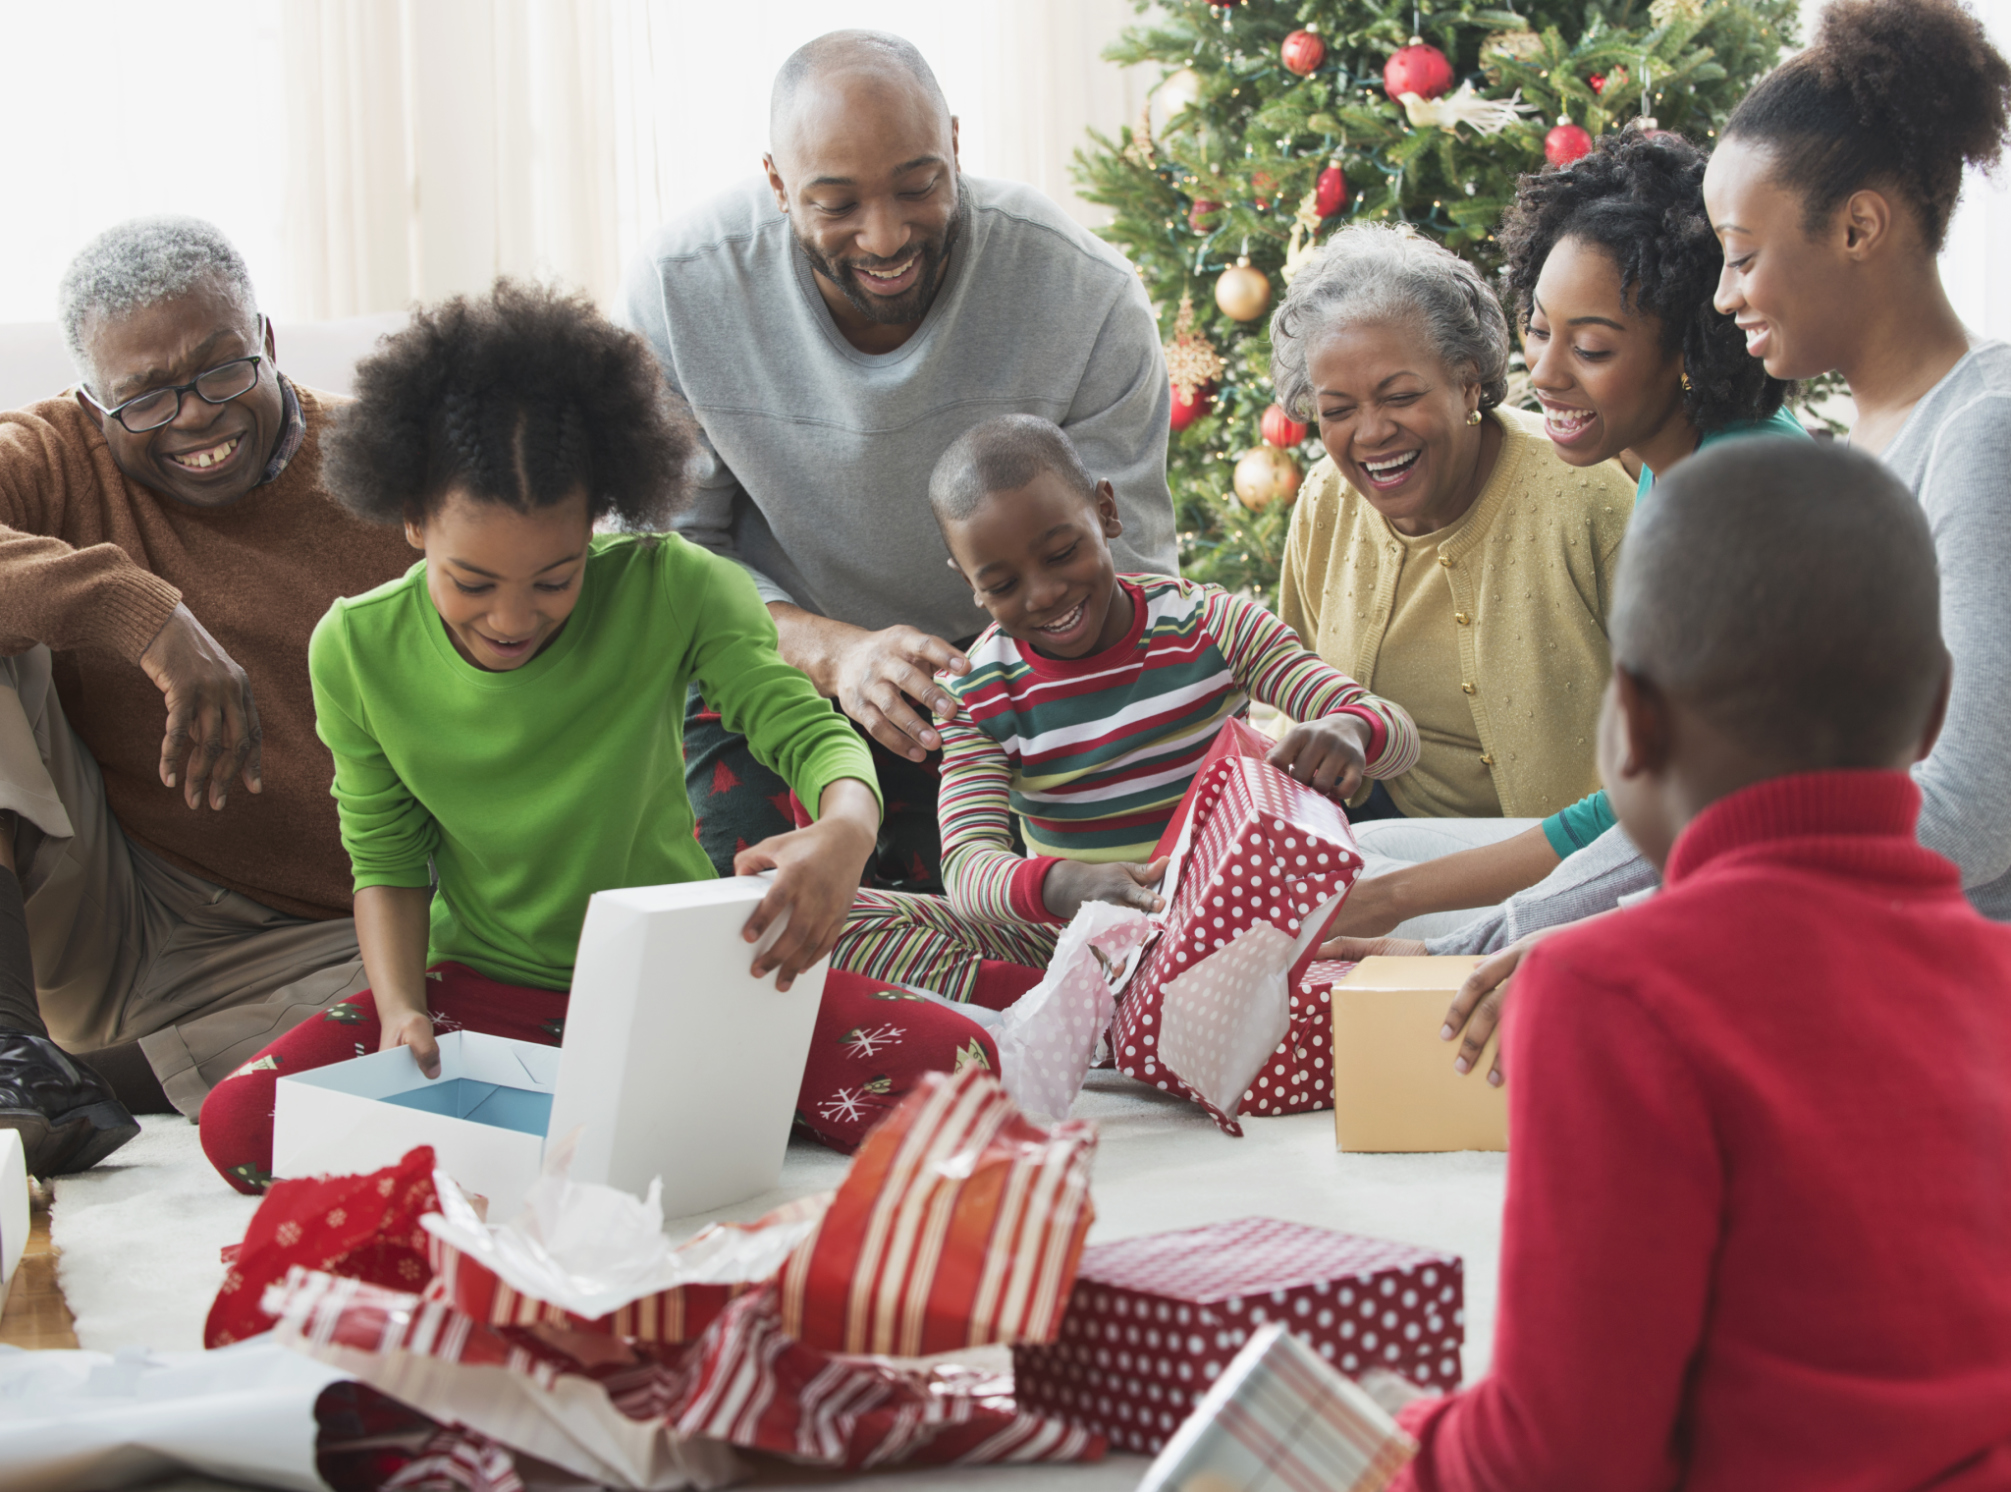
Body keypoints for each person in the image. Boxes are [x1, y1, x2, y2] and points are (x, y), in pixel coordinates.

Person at [197, 283, 999, 1192]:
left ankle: (597, 1120)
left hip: (674, 978)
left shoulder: (675, 587)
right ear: (412, 520)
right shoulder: (353, 648)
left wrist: (848, 827)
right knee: (241, 1125)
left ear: (595, 523)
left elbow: (802, 730)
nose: (510, 618)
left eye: (554, 578)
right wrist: (400, 1013)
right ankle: (664, 1114)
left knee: (961, 1071)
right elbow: (383, 858)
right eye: (471, 580)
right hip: (476, 997)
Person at [1354, 0, 2011, 1087]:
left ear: (1856, 228)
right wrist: (1474, 941)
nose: (1720, 296)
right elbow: (1712, 805)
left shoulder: (1982, 434)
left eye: (1744, 258)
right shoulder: (1858, 454)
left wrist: (1630, 939)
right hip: (1819, 955)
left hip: (1927, 1004)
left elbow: (1971, 811)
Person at [1381, 437, 2011, 1491]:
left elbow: (1560, 1459)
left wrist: (1391, 1442)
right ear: (1934, 711)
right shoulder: (1993, 973)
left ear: (1628, 722)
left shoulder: (1611, 993)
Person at [624, 29, 1178, 895]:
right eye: (835, 204)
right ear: (775, 183)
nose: (884, 239)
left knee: (989, 941)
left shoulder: (1084, 294)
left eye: (918, 186)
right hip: (770, 662)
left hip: (1006, 674)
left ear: (955, 146)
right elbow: (661, 566)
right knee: (749, 928)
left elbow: (1129, 571)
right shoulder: (680, 286)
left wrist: (1006, 702)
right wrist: (834, 653)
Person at [0, 217, 413, 1174]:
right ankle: (13, 1050)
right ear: (91, 400)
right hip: (117, 910)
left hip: (335, 936)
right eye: (143, 397)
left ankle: (94, 1078)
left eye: (221, 370)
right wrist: (135, 611)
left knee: (487, 997)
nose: (192, 416)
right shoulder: (56, 456)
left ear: (267, 340)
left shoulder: (389, 471)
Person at [1329, 129, 1804, 941]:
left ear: (1686, 350)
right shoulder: (1672, 455)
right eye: (1538, 328)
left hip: (1754, 898)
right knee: (1363, 851)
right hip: (1680, 849)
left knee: (1379, 891)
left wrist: (1411, 910)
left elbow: (1658, 820)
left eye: (1589, 347)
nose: (1542, 373)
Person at [828, 415, 1418, 998]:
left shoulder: (1210, 624)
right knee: (836, 920)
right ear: (970, 584)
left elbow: (1396, 735)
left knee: (1362, 926)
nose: (1044, 594)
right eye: (1003, 586)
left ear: (1106, 512)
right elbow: (967, 869)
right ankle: (1098, 1008)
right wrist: (1063, 886)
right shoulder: (976, 691)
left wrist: (1348, 727)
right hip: (1072, 941)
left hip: (1237, 924)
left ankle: (1119, 1013)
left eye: (1061, 553)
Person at [1273, 223, 1635, 830]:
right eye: (1337, 410)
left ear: (1469, 383)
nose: (1370, 433)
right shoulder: (1325, 501)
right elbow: (1291, 682)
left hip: (1563, 859)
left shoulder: (1587, 497)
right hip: (1374, 833)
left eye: (1399, 396)